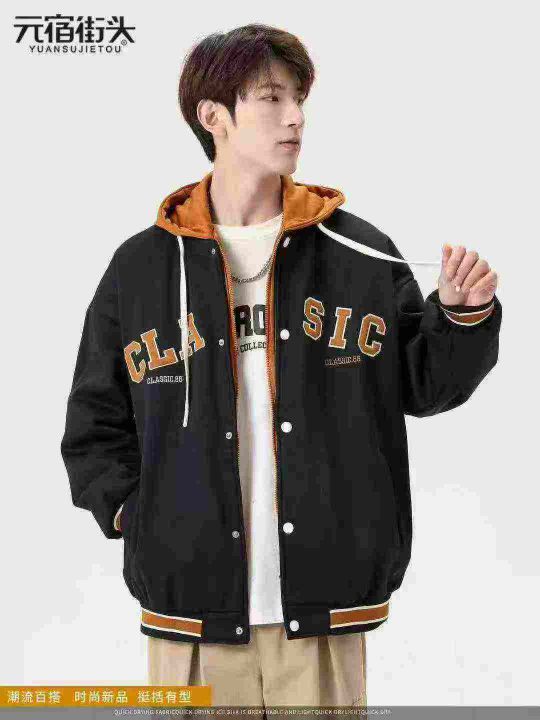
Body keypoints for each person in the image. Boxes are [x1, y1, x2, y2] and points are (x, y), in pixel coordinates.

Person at [60, 23, 502, 710]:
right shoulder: (141, 268)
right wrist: (136, 516)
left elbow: (424, 384)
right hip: (191, 610)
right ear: (213, 116)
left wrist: (461, 316)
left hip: (325, 603)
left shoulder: (358, 252)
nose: (295, 116)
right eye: (271, 98)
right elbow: (94, 420)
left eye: (299, 99)